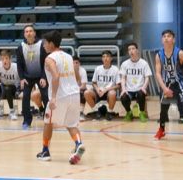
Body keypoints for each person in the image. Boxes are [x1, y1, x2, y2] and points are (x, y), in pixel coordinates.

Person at [35, 31, 85, 165]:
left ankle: (45, 151)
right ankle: (78, 143)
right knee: (71, 124)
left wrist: (53, 98)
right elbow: (76, 73)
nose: (44, 45)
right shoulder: (69, 56)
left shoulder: (49, 58)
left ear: (51, 44)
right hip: (74, 94)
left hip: (60, 96)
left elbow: (56, 76)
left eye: (45, 43)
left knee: (48, 122)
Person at [18, 24, 48, 130]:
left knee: (45, 96)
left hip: (41, 76)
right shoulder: (21, 46)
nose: (29, 33)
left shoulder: (41, 44)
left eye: (30, 31)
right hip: (27, 77)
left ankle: (48, 119)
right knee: (25, 96)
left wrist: (44, 77)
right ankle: (26, 120)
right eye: (26, 31)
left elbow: (46, 63)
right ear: (24, 34)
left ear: (34, 33)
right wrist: (22, 78)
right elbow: (19, 64)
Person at [119, 42, 151, 122]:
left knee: (141, 94)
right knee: (123, 96)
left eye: (133, 49)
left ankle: (142, 113)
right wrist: (123, 89)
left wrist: (144, 87)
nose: (131, 51)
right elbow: (123, 78)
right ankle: (129, 113)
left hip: (140, 88)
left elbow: (147, 77)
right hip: (129, 90)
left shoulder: (144, 63)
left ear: (137, 50)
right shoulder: (124, 64)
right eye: (129, 49)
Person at [85, 51, 120, 119]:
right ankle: (96, 111)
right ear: (102, 59)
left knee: (112, 93)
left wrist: (106, 89)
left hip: (108, 92)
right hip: (99, 91)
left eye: (107, 56)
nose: (105, 58)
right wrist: (97, 89)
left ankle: (109, 112)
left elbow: (118, 85)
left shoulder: (115, 69)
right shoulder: (98, 68)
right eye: (103, 57)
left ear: (111, 58)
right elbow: (94, 82)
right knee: (87, 92)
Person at [0, 49, 20, 119]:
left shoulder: (16, 67)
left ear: (10, 59)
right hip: (3, 86)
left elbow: (22, 79)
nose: (4, 61)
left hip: (15, 87)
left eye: (6, 58)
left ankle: (12, 111)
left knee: (7, 88)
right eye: (2, 59)